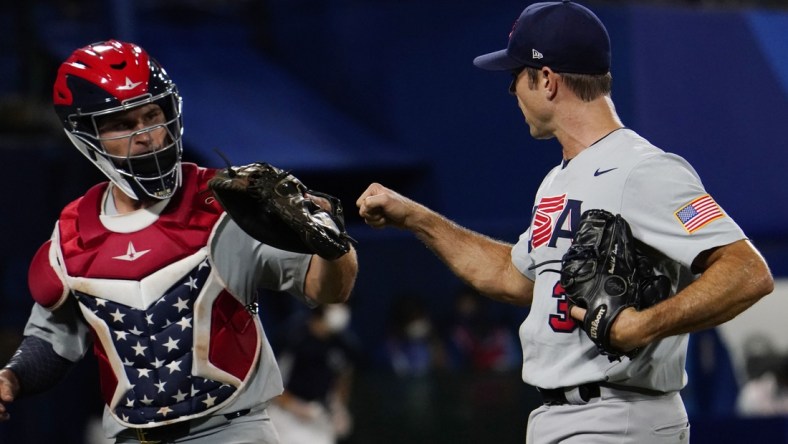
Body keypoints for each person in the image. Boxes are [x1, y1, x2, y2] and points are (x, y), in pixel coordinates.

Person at [356, 1, 774, 442]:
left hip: (618, 415)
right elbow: (512, 277)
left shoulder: (644, 170)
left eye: (516, 76)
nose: (512, 90)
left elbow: (747, 272)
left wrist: (642, 325)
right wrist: (417, 218)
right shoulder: (558, 180)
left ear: (548, 80)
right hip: (562, 416)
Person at [0, 39, 358, 444]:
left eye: (152, 115)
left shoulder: (227, 200)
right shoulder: (71, 233)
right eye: (122, 123)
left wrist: (334, 247)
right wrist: (12, 377)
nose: (146, 135)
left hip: (233, 431)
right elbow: (53, 341)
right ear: (85, 134)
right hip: (130, 437)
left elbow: (329, 289)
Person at [268, 304, 358, 444]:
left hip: (318, 416)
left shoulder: (343, 344)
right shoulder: (293, 336)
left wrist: (339, 408)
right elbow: (270, 381)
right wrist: (294, 406)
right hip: (283, 415)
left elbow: (344, 377)